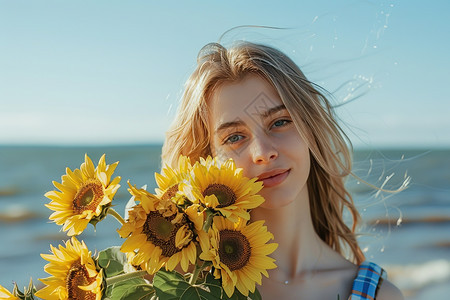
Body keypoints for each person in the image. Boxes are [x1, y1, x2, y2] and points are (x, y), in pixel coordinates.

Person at [161, 41, 404, 299]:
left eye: (279, 122)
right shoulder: (189, 288)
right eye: (234, 137)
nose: (263, 153)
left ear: (309, 127)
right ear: (207, 160)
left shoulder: (379, 295)